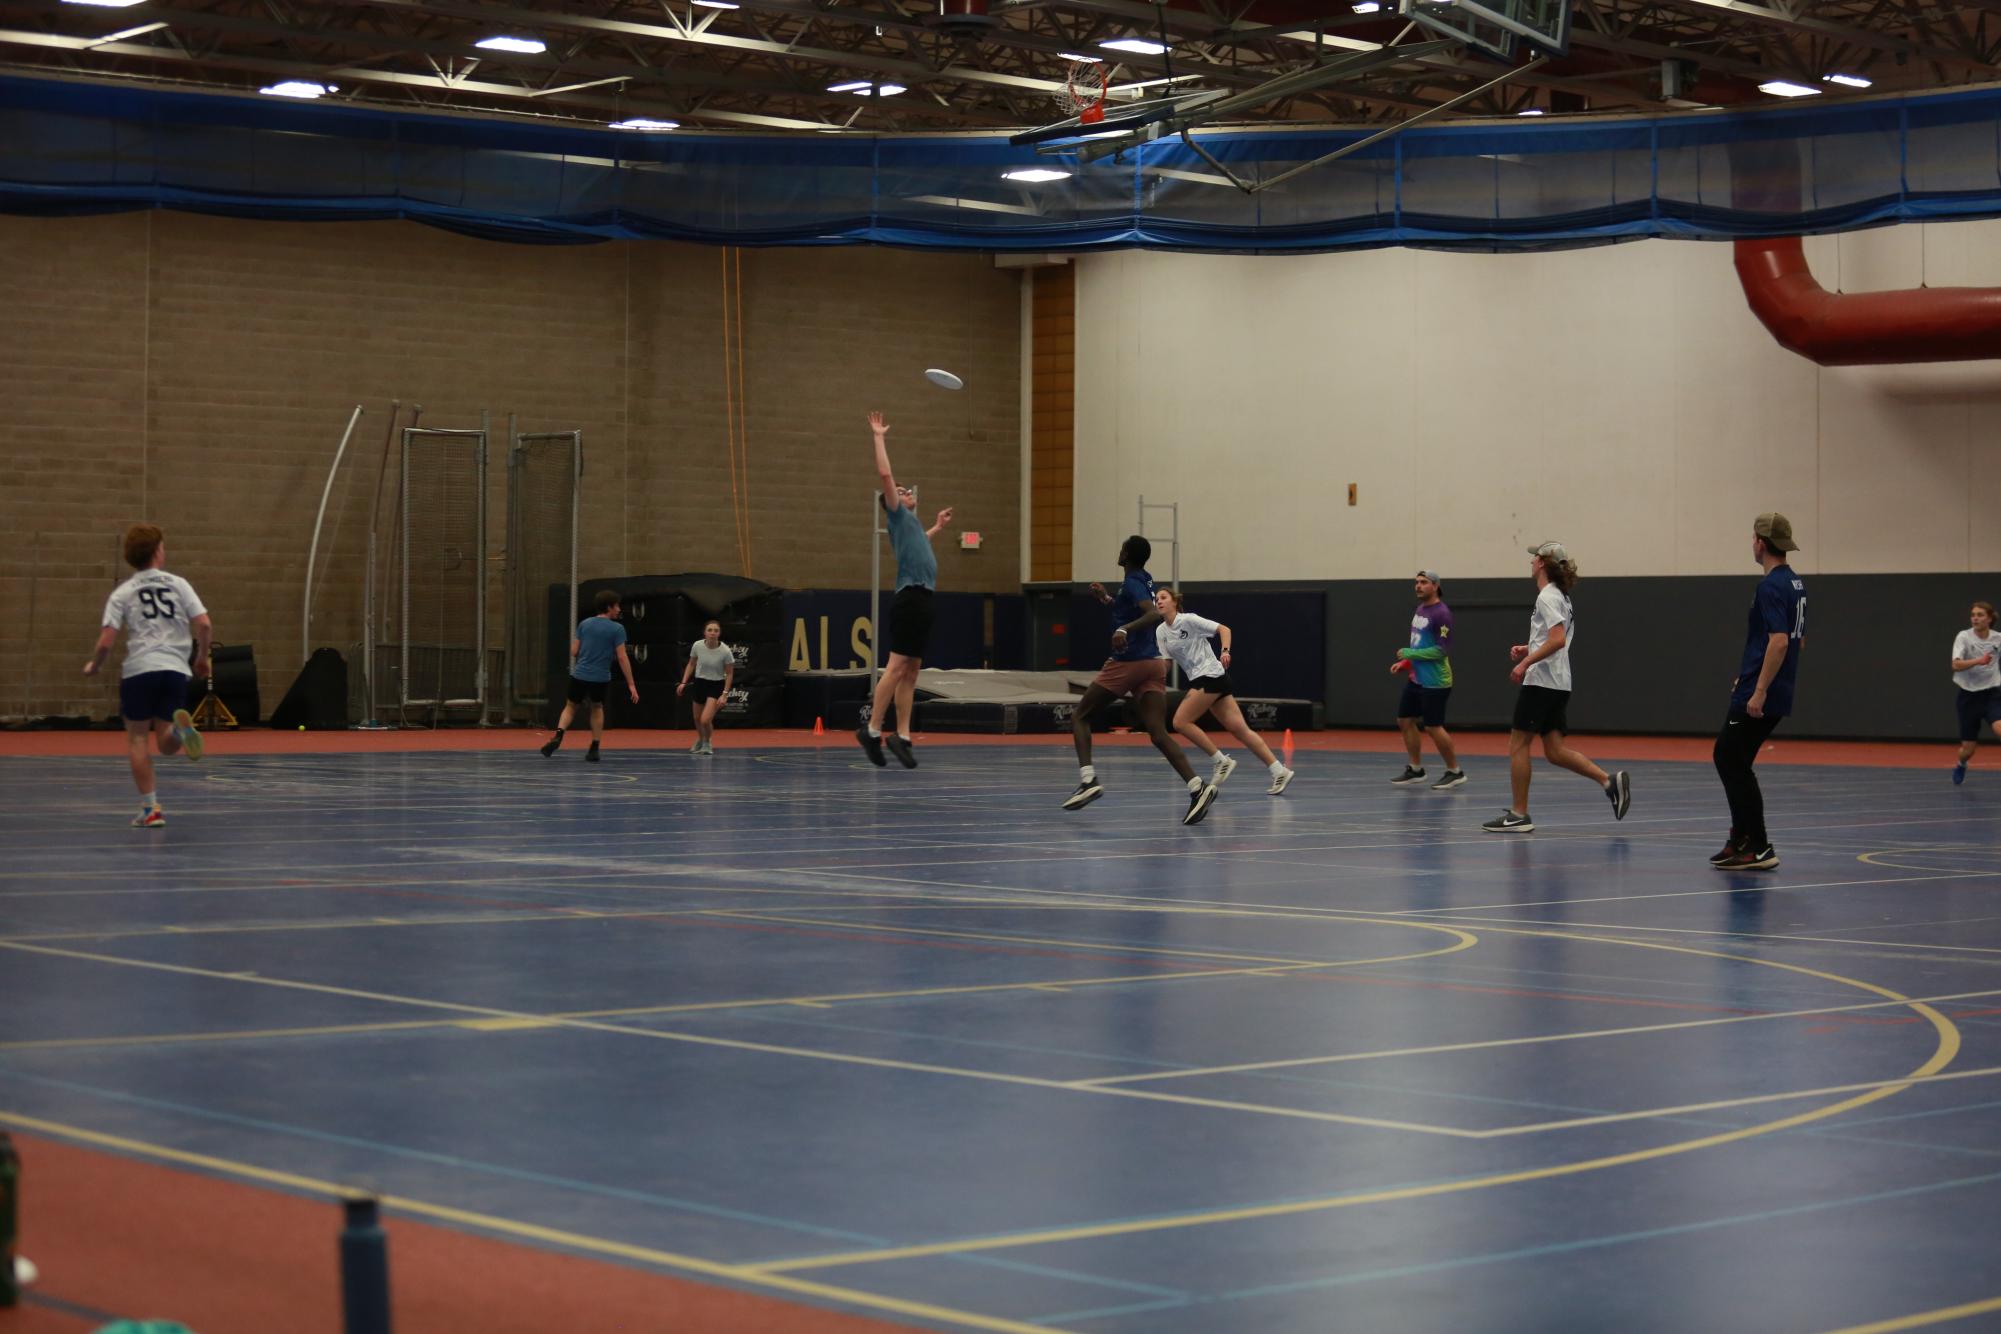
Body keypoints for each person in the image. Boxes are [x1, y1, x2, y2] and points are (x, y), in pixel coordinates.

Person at [1062, 536, 1218, 826]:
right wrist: (1106, 599)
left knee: (1080, 716)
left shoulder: (1134, 582)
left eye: (1122, 547)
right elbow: (1133, 607)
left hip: (1129, 662)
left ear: (1127, 555)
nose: (1118, 550)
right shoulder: (1143, 580)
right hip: (1154, 664)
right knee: (1158, 733)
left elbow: (1150, 613)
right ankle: (1198, 787)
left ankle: (1088, 781)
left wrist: (1123, 629)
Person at [1481, 542, 1631, 833]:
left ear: (1542, 563)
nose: (1531, 561)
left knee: (1518, 744)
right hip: (1559, 682)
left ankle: (1519, 814)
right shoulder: (1561, 596)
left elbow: (1557, 639)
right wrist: (1528, 648)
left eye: (1534, 557)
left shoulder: (1547, 597)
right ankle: (1609, 782)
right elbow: (1554, 638)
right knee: (1554, 750)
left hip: (1542, 681)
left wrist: (1525, 664)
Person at [83, 523, 212, 828]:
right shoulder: (179, 584)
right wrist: (202, 658)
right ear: (157, 552)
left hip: (140, 670)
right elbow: (204, 624)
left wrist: (95, 665)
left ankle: (151, 809)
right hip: (174, 669)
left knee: (138, 738)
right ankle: (181, 732)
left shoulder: (123, 592)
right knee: (165, 741)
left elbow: (106, 641)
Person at [1710, 514, 1807, 870]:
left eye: (1753, 538)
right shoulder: (1795, 583)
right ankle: (1742, 839)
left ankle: (1758, 844)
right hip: (1770, 685)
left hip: (1761, 694)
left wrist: (1760, 688)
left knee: (1728, 757)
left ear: (1761, 543)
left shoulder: (1770, 586)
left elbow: (1780, 642)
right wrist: (1752, 674)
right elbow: (1799, 640)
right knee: (1735, 760)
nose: (1752, 543)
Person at [857, 411, 952, 770]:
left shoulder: (911, 525)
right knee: (897, 667)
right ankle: (871, 728)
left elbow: (920, 546)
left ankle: (903, 735)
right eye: (899, 492)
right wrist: (878, 436)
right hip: (910, 598)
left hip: (923, 598)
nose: (904, 491)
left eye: (905, 490)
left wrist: (938, 528)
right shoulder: (896, 513)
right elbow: (885, 474)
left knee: (912, 670)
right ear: (891, 502)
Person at [1154, 588, 1295, 796]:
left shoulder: (1189, 620)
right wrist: (1152, 675)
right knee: (1239, 729)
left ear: (1175, 602)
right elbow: (1166, 664)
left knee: (1180, 722)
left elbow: (1224, 629)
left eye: (1163, 598)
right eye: (1156, 599)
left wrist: (1225, 651)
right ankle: (1279, 770)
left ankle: (1220, 760)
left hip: (1210, 674)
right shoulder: (1160, 632)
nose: (1159, 601)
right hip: (1204, 679)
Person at [540, 589, 638, 762]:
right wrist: (631, 684)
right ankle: (594, 747)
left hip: (580, 674)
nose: (619, 610)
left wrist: (588, 651)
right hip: (600, 677)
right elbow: (622, 657)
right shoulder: (617, 629)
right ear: (609, 607)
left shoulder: (584, 624)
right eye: (617, 606)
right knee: (597, 708)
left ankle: (559, 735)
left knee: (570, 706)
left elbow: (574, 651)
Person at [1388, 570, 1464, 790]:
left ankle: (1455, 771)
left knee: (1433, 727)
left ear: (1436, 586)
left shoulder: (1442, 614)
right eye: (1416, 582)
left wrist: (1409, 655)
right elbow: (1419, 645)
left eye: (1423, 582)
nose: (1418, 586)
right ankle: (1416, 769)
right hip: (1416, 678)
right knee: (1404, 720)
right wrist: (1406, 664)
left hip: (1436, 681)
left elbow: (1442, 650)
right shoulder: (1420, 610)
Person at [1952, 601, 2000, 784]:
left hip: (1992, 695)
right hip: (1969, 697)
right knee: (1968, 750)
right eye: (1973, 615)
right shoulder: (1963, 637)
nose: (1975, 618)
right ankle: (1961, 763)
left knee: (1999, 728)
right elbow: (1955, 665)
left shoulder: (1998, 639)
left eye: (1980, 615)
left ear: (1989, 619)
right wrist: (1978, 661)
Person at [678, 619, 737, 755]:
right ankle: (700, 739)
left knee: (705, 719)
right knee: (697, 719)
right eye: (710, 630)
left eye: (715, 630)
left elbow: (729, 674)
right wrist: (683, 682)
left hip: (716, 685)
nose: (712, 633)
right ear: (705, 633)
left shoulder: (725, 651)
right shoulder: (697, 646)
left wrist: (725, 694)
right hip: (700, 683)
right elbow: (691, 664)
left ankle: (707, 742)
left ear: (719, 633)